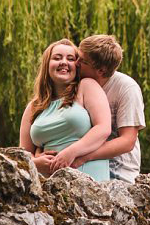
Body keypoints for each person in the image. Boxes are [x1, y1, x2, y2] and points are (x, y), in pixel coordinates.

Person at [19, 38, 112, 181]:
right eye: (57, 58)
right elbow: (23, 153)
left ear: (77, 65)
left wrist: (70, 152)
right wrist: (35, 163)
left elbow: (103, 128)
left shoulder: (87, 86)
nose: (64, 62)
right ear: (47, 65)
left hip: (87, 176)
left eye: (70, 58)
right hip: (49, 181)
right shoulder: (34, 106)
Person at [71, 34, 145, 183]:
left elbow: (127, 140)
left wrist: (85, 156)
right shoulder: (75, 82)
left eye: (83, 61)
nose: (76, 63)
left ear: (101, 71)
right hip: (77, 162)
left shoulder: (126, 88)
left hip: (116, 171)